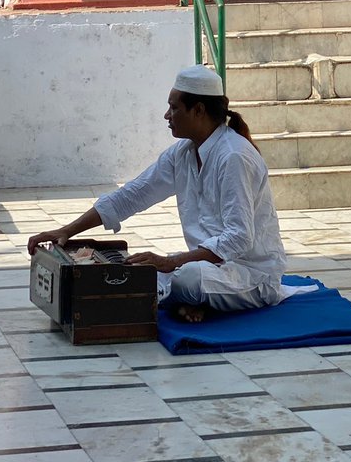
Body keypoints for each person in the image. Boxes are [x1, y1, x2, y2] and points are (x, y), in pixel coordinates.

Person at [27, 65, 286, 323]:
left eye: (174, 108)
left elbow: (239, 238)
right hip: (207, 268)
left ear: (198, 110)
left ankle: (187, 299)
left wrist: (173, 262)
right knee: (138, 269)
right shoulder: (182, 153)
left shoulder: (233, 156)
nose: (166, 115)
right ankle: (188, 301)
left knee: (188, 279)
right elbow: (132, 195)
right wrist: (66, 231)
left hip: (251, 275)